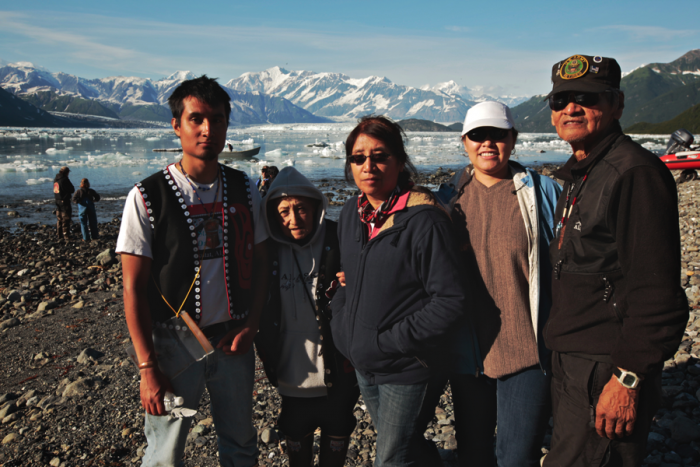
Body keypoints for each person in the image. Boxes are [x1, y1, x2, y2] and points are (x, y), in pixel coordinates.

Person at [541, 55, 689, 466]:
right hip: (576, 362)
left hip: (605, 367)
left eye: (586, 98)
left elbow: (656, 292)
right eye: (561, 99)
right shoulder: (583, 172)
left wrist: (627, 378)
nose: (571, 108)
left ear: (616, 105)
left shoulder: (633, 174)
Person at [116, 75, 269, 467]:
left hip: (232, 340)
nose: (207, 129)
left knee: (240, 443)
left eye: (217, 120)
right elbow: (132, 288)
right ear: (176, 125)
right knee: (165, 453)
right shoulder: (147, 196)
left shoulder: (244, 188)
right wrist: (146, 366)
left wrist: (251, 323)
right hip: (173, 345)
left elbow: (262, 259)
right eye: (196, 119)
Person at [330, 115, 475, 467]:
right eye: (358, 157)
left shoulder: (424, 221)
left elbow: (451, 300)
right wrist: (343, 324)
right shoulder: (352, 212)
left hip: (407, 365)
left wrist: (390, 342)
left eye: (379, 156)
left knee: (391, 458)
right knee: (402, 444)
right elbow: (351, 277)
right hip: (365, 361)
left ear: (399, 160)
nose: (369, 166)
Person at [436, 101, 562, 466]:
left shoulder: (542, 193)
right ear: (464, 142)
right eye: (478, 135)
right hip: (469, 354)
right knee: (474, 453)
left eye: (498, 135)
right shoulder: (448, 201)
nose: (487, 143)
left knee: (516, 457)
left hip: (527, 351)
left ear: (513, 139)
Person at [255, 166, 359, 467]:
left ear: (316, 208)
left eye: (301, 208)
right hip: (291, 373)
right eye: (284, 211)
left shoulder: (339, 241)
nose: (293, 219)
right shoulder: (267, 251)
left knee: (337, 433)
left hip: (338, 369)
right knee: (295, 436)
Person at [53, 166, 74, 241]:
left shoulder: (56, 179)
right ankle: (66, 235)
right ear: (66, 172)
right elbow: (72, 189)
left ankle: (59, 234)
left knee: (59, 219)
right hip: (64, 201)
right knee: (66, 219)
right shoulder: (64, 179)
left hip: (57, 200)